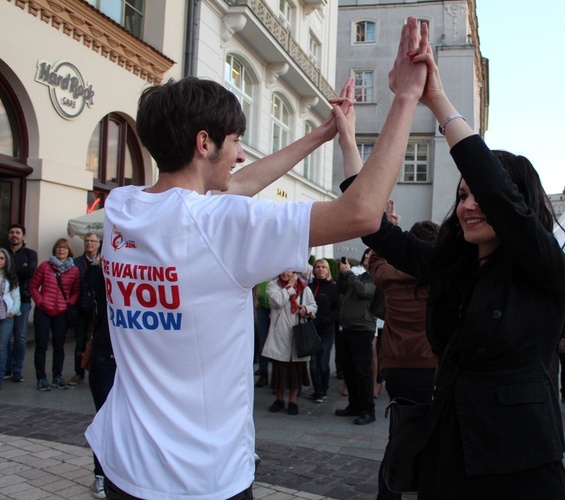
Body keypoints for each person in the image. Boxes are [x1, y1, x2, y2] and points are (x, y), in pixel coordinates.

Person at [85, 16, 428, 499]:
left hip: (125, 461)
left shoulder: (123, 208)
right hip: (198, 477)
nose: (241, 155)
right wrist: (407, 97)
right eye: (235, 142)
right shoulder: (217, 225)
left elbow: (236, 186)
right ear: (203, 143)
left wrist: (319, 134)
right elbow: (363, 212)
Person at [350, 25, 565, 496]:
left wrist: (438, 101)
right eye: (461, 196)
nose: (469, 205)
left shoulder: (545, 267)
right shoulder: (454, 265)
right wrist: (351, 137)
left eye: (480, 195)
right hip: (449, 448)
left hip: (518, 459)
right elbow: (372, 224)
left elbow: (497, 191)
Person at [369, 217, 439, 500]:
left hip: (397, 369)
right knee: (434, 441)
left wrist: (388, 228)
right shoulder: (441, 278)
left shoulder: (390, 277)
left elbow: (375, 258)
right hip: (432, 369)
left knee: (397, 438)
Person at [262, 271, 317, 415]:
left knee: (296, 372)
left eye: (290, 270)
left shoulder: (304, 288)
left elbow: (314, 306)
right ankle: (279, 399)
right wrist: (290, 286)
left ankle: (293, 401)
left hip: (298, 335)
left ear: (294, 272)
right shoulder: (273, 286)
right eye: (283, 270)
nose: (286, 273)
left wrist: (306, 310)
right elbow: (277, 301)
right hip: (280, 335)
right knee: (279, 370)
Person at [29, 237, 80, 391]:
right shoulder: (45, 266)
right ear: (54, 250)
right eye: (58, 247)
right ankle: (41, 378)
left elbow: (76, 291)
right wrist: (41, 301)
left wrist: (68, 303)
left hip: (62, 313)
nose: (61, 250)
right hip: (44, 311)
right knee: (41, 345)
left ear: (68, 250)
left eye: (64, 247)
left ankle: (57, 376)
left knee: (59, 346)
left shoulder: (74, 270)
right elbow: (33, 286)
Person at [335, 248, 378, 425]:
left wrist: (349, 274)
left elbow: (364, 291)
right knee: (348, 369)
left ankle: (368, 410)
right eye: (366, 254)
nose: (367, 256)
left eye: (371, 254)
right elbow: (341, 288)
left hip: (362, 328)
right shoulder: (359, 276)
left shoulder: (377, 277)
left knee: (362, 372)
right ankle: (354, 405)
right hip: (347, 327)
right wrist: (342, 275)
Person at [86, 255, 115, 498]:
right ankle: (100, 475)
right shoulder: (97, 274)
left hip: (130, 360)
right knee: (105, 417)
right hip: (104, 356)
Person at [4, 224, 37, 382]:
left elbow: (30, 272)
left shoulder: (30, 254)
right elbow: (22, 271)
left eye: (18, 233)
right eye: (12, 233)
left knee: (20, 337)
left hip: (23, 300)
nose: (14, 235)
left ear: (23, 237)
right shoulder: (3, 252)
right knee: (4, 338)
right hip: (4, 303)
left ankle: (17, 369)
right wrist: (20, 269)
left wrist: (9, 268)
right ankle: (6, 368)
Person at [308, 259, 341, 403]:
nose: (320, 269)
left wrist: (326, 320)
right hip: (311, 329)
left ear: (328, 270)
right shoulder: (309, 287)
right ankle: (318, 390)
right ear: (314, 270)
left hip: (326, 330)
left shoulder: (333, 287)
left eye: (323, 267)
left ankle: (324, 388)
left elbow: (338, 308)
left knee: (323, 361)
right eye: (318, 267)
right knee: (313, 361)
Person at [70, 231, 101, 385]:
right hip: (81, 307)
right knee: (80, 341)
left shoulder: (104, 261)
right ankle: (78, 372)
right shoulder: (76, 262)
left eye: (93, 241)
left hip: (98, 309)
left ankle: (95, 372)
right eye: (87, 241)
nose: (89, 243)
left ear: (99, 244)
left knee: (97, 340)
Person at [0, 248, 21, 390]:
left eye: (1, 258)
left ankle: (0, 376)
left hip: (6, 316)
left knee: (1, 347)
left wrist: (13, 311)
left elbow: (16, 296)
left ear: (6, 260)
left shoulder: (10, 277)